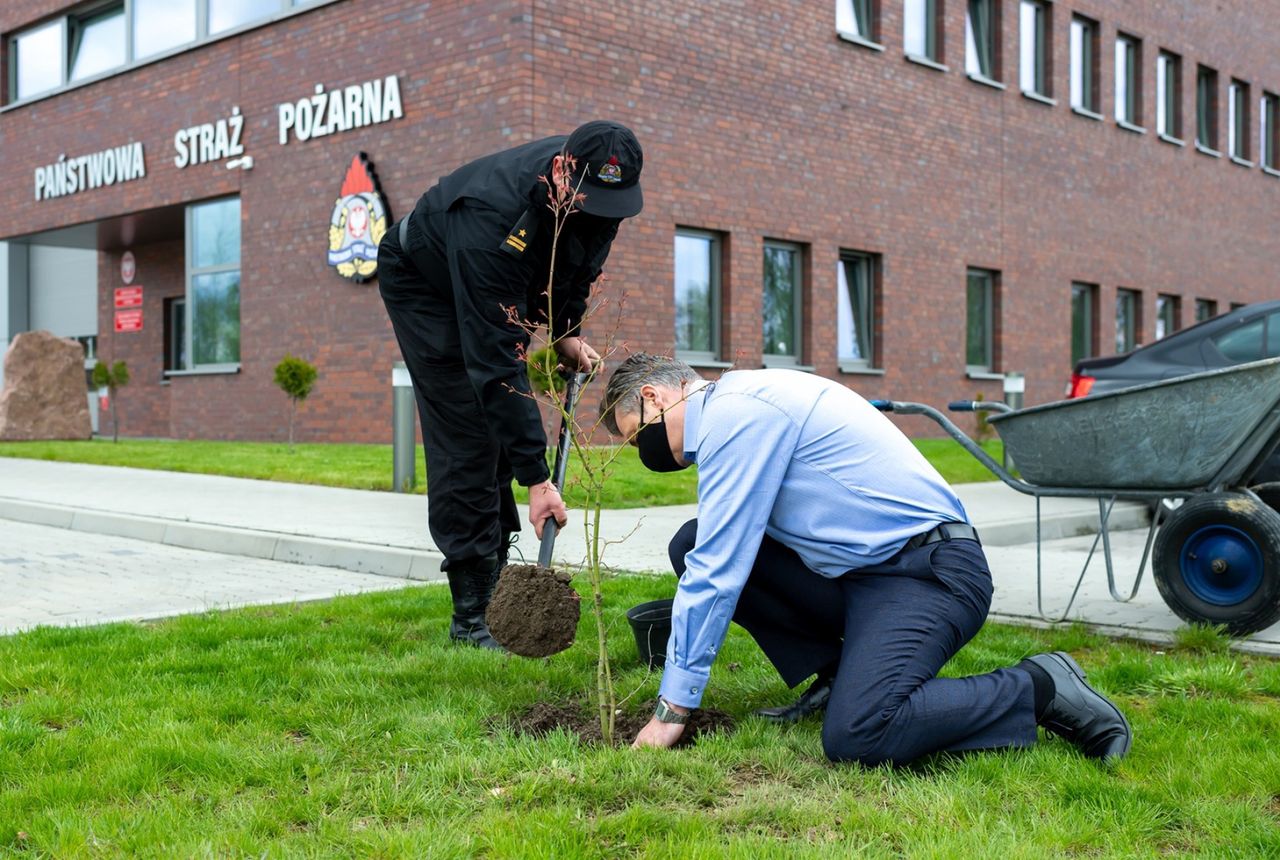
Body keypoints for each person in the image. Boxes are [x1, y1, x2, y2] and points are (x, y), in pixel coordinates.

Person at [601, 354, 1132, 766]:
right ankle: (840, 675)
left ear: (654, 395)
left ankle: (1039, 686)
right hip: (863, 576)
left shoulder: (737, 415)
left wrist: (673, 709)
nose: (641, 450)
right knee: (692, 542)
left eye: (634, 433)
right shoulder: (739, 399)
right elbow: (717, 549)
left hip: (929, 572)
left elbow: (718, 573)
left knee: (860, 733)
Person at [378, 121, 644, 648]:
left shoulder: (598, 194)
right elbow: (497, 365)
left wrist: (566, 331)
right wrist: (537, 479)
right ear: (563, 173)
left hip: (491, 277)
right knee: (469, 429)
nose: (602, 216)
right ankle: (473, 615)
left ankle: (497, 572)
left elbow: (576, 265)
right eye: (592, 203)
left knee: (497, 425)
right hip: (424, 282)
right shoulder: (490, 220)